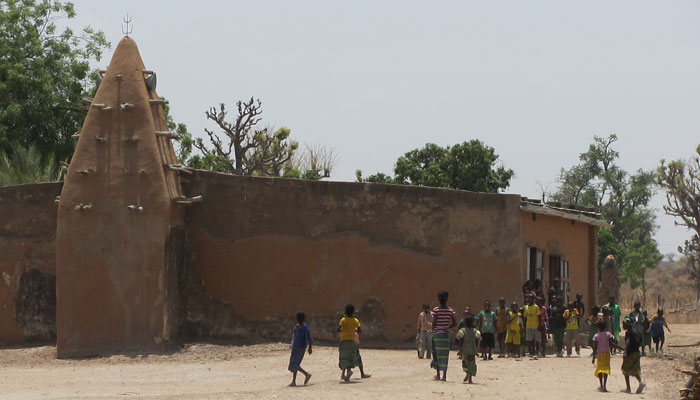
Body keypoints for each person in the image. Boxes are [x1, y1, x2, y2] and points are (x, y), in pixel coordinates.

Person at [431, 291, 457, 381]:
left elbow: (434, 323)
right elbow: (455, 323)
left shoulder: (436, 310)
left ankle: (438, 374)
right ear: (447, 299)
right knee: (445, 355)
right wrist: (447, 327)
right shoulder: (450, 310)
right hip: (445, 335)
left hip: (437, 334)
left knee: (436, 354)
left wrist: (434, 328)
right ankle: (444, 376)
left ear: (438, 299)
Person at [337, 304, 362, 382]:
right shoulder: (355, 320)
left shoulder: (343, 320)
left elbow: (338, 329)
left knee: (344, 356)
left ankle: (345, 373)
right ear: (353, 312)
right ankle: (348, 372)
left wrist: (343, 330)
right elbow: (359, 330)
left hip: (344, 340)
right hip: (352, 341)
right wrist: (354, 330)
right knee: (350, 357)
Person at [620, 317, 645, 394]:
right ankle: (641, 382)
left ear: (627, 325)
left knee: (625, 369)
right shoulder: (637, 332)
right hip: (637, 352)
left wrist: (625, 351)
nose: (623, 325)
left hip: (630, 353)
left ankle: (628, 388)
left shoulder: (629, 333)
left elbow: (628, 341)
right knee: (635, 369)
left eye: (624, 324)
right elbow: (641, 342)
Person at [288, 312, 313, 386]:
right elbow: (309, 338)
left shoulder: (297, 328)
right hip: (302, 347)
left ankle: (306, 374)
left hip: (297, 348)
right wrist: (310, 347)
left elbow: (295, 339)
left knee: (294, 364)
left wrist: (292, 347)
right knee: (296, 363)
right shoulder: (305, 327)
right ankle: (293, 381)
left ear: (297, 319)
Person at [592, 321, 615, 392]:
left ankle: (601, 385)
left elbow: (595, 347)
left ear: (598, 327)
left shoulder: (596, 336)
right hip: (607, 353)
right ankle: (604, 385)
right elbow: (611, 342)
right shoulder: (608, 334)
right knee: (605, 369)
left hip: (600, 354)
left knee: (599, 369)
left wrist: (593, 357)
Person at [457, 315, 480, 384]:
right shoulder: (475, 331)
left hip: (465, 349)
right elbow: (477, 341)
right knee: (471, 363)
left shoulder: (462, 331)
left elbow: (460, 341)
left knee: (465, 363)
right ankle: (470, 378)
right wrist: (476, 350)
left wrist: (460, 350)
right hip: (472, 350)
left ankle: (467, 373)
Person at [523, 293, 541, 359]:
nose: (529, 300)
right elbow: (525, 317)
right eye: (528, 298)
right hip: (528, 326)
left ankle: (537, 352)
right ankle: (530, 352)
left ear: (533, 299)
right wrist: (524, 326)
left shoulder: (536, 307)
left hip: (536, 325)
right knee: (529, 340)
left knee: (537, 340)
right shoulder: (526, 307)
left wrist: (539, 325)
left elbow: (539, 316)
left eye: (531, 298)